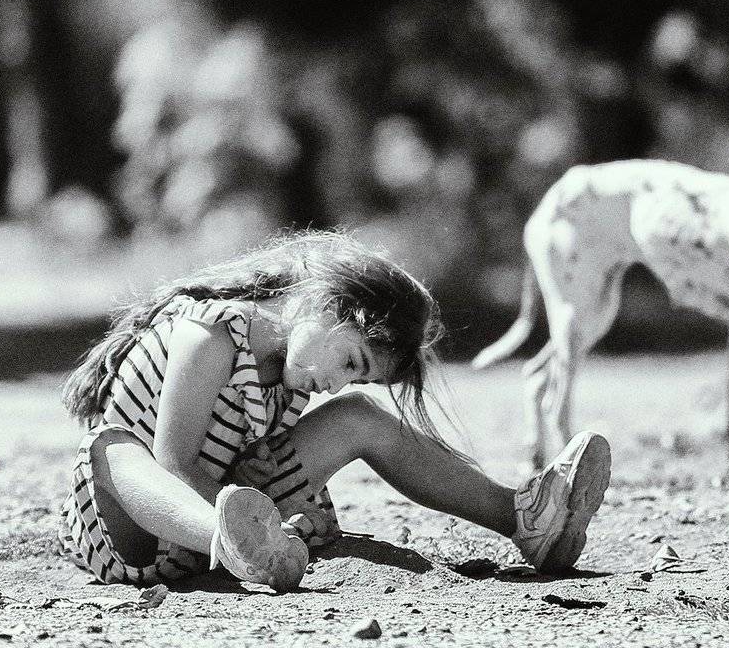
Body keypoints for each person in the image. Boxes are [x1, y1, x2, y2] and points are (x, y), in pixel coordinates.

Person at [58, 230, 611, 592]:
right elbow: (175, 464)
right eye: (351, 359)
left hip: (229, 530)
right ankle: (247, 545)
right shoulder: (210, 332)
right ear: (325, 304)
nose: (336, 382)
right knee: (113, 451)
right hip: (135, 531)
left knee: (358, 416)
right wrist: (252, 519)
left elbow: (253, 458)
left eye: (356, 373)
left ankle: (523, 517)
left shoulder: (295, 372)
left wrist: (304, 515)